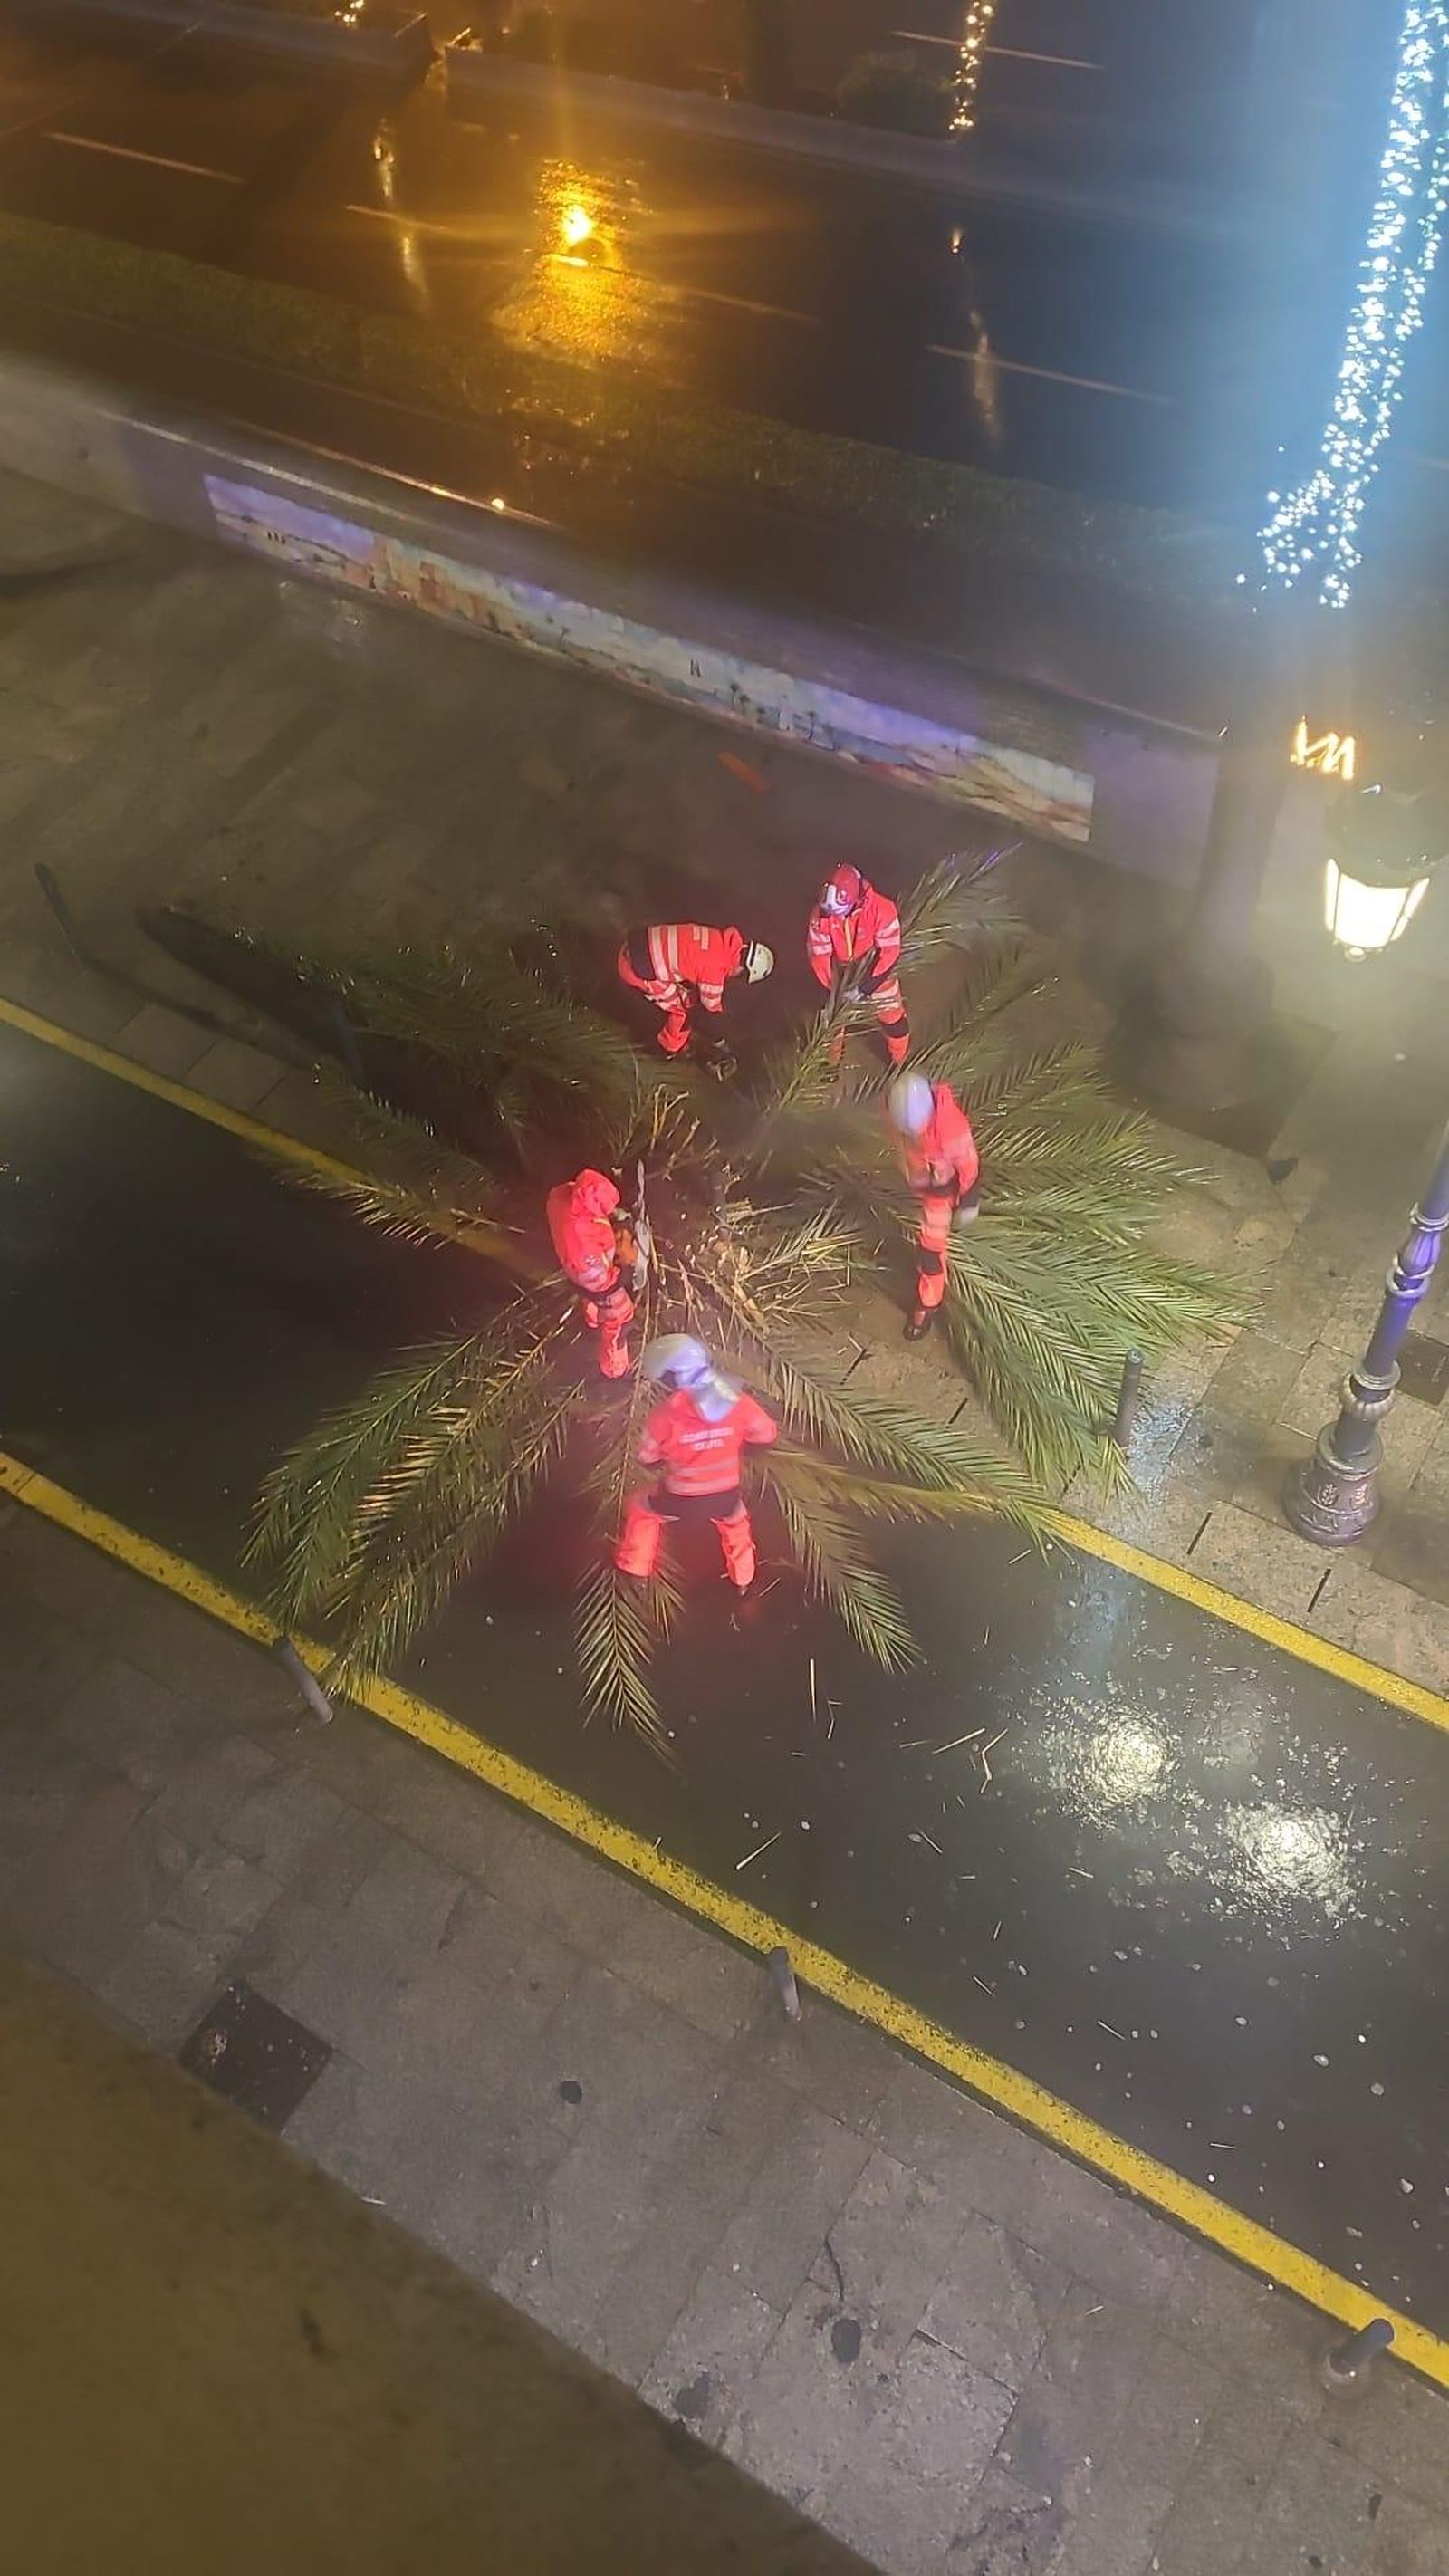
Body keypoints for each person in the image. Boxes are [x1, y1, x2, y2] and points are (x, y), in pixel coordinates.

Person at [615, 1335, 779, 1595]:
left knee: (642, 1509)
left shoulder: (667, 1414)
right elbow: (767, 1434)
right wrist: (735, 1445)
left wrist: (663, 1459)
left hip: (678, 1499)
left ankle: (636, 1570)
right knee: (736, 1525)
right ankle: (743, 1579)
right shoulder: (738, 1402)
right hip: (725, 1498)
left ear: (674, 1378)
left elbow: (646, 1455)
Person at [888, 1070, 980, 1340]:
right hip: (922, 1180)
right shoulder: (897, 1106)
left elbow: (968, 1165)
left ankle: (927, 1305)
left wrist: (968, 1199)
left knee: (930, 1252)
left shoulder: (950, 1129)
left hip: (940, 1191)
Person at [617, 922, 774, 1060]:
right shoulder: (715, 970)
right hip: (633, 968)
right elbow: (711, 1011)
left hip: (633, 944)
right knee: (683, 1009)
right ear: (745, 970)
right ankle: (667, 1049)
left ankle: (673, 1038)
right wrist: (720, 1042)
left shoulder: (716, 938)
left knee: (686, 992)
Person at [806, 865, 908, 1067]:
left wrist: (866, 987)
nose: (837, 918)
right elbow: (819, 955)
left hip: (874, 966)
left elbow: (889, 953)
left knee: (893, 1019)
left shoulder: (882, 909)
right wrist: (834, 989)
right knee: (831, 1022)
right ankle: (831, 1064)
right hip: (841, 971)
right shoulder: (821, 916)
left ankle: (900, 1061)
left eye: (841, 912)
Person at [545, 1168, 636, 1379]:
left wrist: (613, 1221)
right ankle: (614, 1365)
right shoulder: (581, 1245)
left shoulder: (567, 1195)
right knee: (620, 1317)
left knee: (592, 1301)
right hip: (591, 1274)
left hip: (584, 1264)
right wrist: (624, 1269)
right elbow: (601, 1285)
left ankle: (594, 1318)